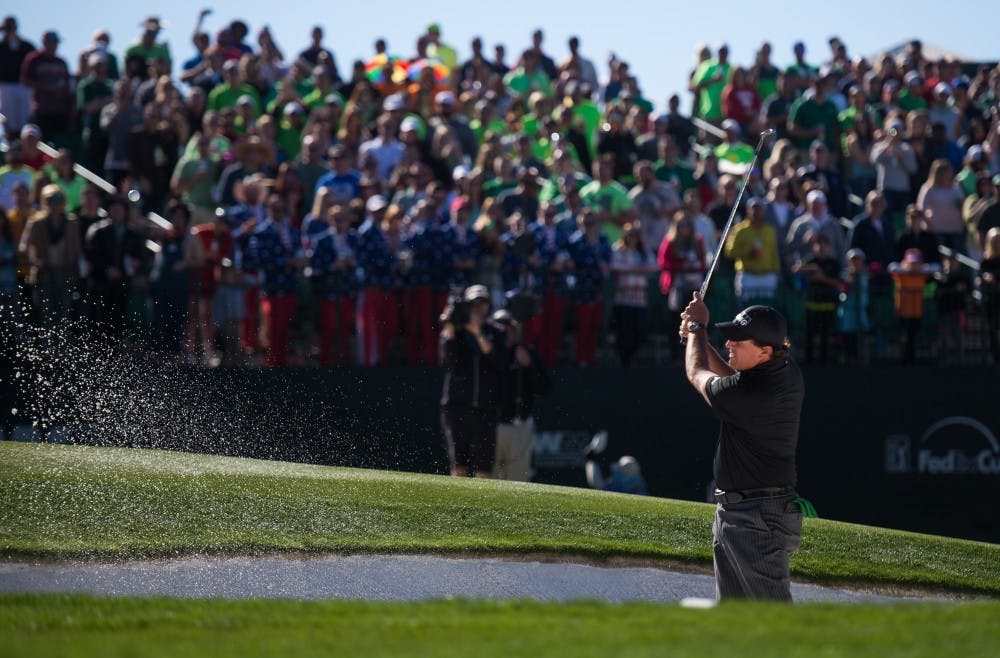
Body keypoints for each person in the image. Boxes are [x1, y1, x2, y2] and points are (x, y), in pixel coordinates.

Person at [680, 297, 804, 602]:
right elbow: (732, 379)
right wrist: (699, 338)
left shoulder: (755, 393)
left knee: (776, 625)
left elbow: (696, 374)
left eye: (738, 340)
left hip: (756, 518)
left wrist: (696, 329)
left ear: (764, 351)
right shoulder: (782, 370)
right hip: (745, 513)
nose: (730, 344)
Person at [439, 286, 503, 478]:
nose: (478, 308)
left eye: (482, 303)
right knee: (459, 467)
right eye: (474, 303)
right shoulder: (456, 333)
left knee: (484, 470)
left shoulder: (495, 331)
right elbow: (448, 364)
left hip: (486, 409)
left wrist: (478, 334)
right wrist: (449, 331)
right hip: (457, 407)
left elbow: (499, 360)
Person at [492, 309, 550, 482]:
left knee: (517, 483)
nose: (503, 331)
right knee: (487, 482)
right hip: (490, 425)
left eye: (507, 326)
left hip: (519, 425)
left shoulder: (526, 353)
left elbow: (545, 388)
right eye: (498, 326)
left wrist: (529, 365)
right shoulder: (486, 354)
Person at [19, 184, 82, 325]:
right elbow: (24, 246)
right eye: (50, 200)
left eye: (58, 200)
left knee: (64, 315)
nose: (55, 204)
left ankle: (63, 346)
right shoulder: (36, 222)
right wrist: (34, 260)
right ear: (44, 201)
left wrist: (78, 268)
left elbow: (78, 249)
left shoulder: (71, 222)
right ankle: (47, 346)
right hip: (44, 275)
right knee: (46, 315)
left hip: (66, 273)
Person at [568, 209, 611, 367]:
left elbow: (607, 260)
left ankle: (591, 358)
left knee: (594, 326)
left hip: (598, 289)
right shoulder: (575, 241)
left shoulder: (603, 240)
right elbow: (576, 262)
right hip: (581, 290)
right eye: (586, 222)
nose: (590, 226)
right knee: (582, 327)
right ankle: (581, 359)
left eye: (592, 222)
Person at [610, 223, 656, 366]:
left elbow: (655, 265)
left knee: (639, 333)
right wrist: (636, 269)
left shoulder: (643, 252)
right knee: (624, 332)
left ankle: (632, 357)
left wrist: (634, 269)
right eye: (630, 235)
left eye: (635, 235)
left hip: (639, 300)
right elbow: (615, 266)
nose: (633, 238)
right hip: (623, 299)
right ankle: (624, 360)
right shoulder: (618, 250)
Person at [793, 233, 842, 364]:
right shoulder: (810, 261)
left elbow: (838, 283)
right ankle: (809, 363)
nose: (821, 247)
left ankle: (824, 364)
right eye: (818, 244)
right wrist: (809, 268)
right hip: (811, 305)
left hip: (828, 306)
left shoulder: (834, 263)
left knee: (826, 337)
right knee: (810, 336)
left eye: (824, 244)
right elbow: (795, 269)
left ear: (830, 247)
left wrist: (822, 278)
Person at [888, 247, 939, 365]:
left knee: (914, 338)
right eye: (911, 263)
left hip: (917, 312)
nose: (914, 266)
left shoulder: (922, 274)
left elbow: (936, 267)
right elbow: (892, 267)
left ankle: (912, 361)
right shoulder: (901, 273)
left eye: (916, 263)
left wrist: (920, 269)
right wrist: (908, 269)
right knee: (904, 338)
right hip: (902, 312)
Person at [0, 16, 36, 134]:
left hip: (23, 86)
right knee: (8, 120)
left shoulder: (26, 46)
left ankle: (21, 141)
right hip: (5, 86)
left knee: (24, 120)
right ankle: (10, 140)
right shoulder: (1, 46)